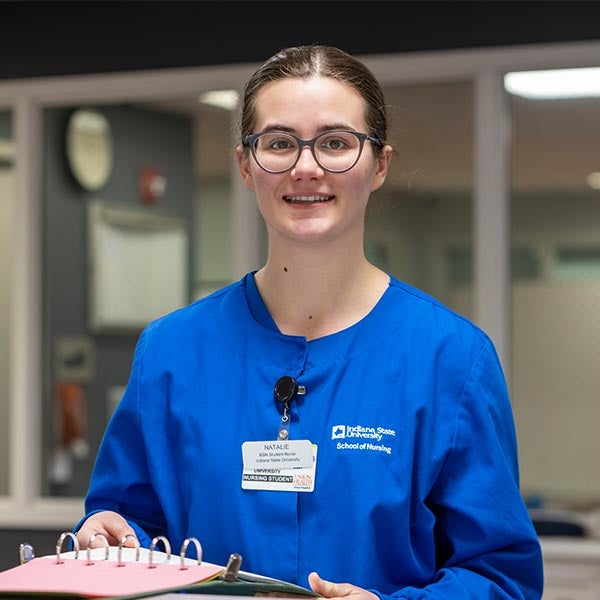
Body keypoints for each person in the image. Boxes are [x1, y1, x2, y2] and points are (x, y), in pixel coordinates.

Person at [74, 45, 543, 599]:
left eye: (336, 143)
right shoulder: (172, 350)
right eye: (278, 143)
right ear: (246, 166)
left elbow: (499, 577)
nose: (306, 167)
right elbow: (129, 522)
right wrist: (109, 536)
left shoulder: (450, 358)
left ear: (380, 164)